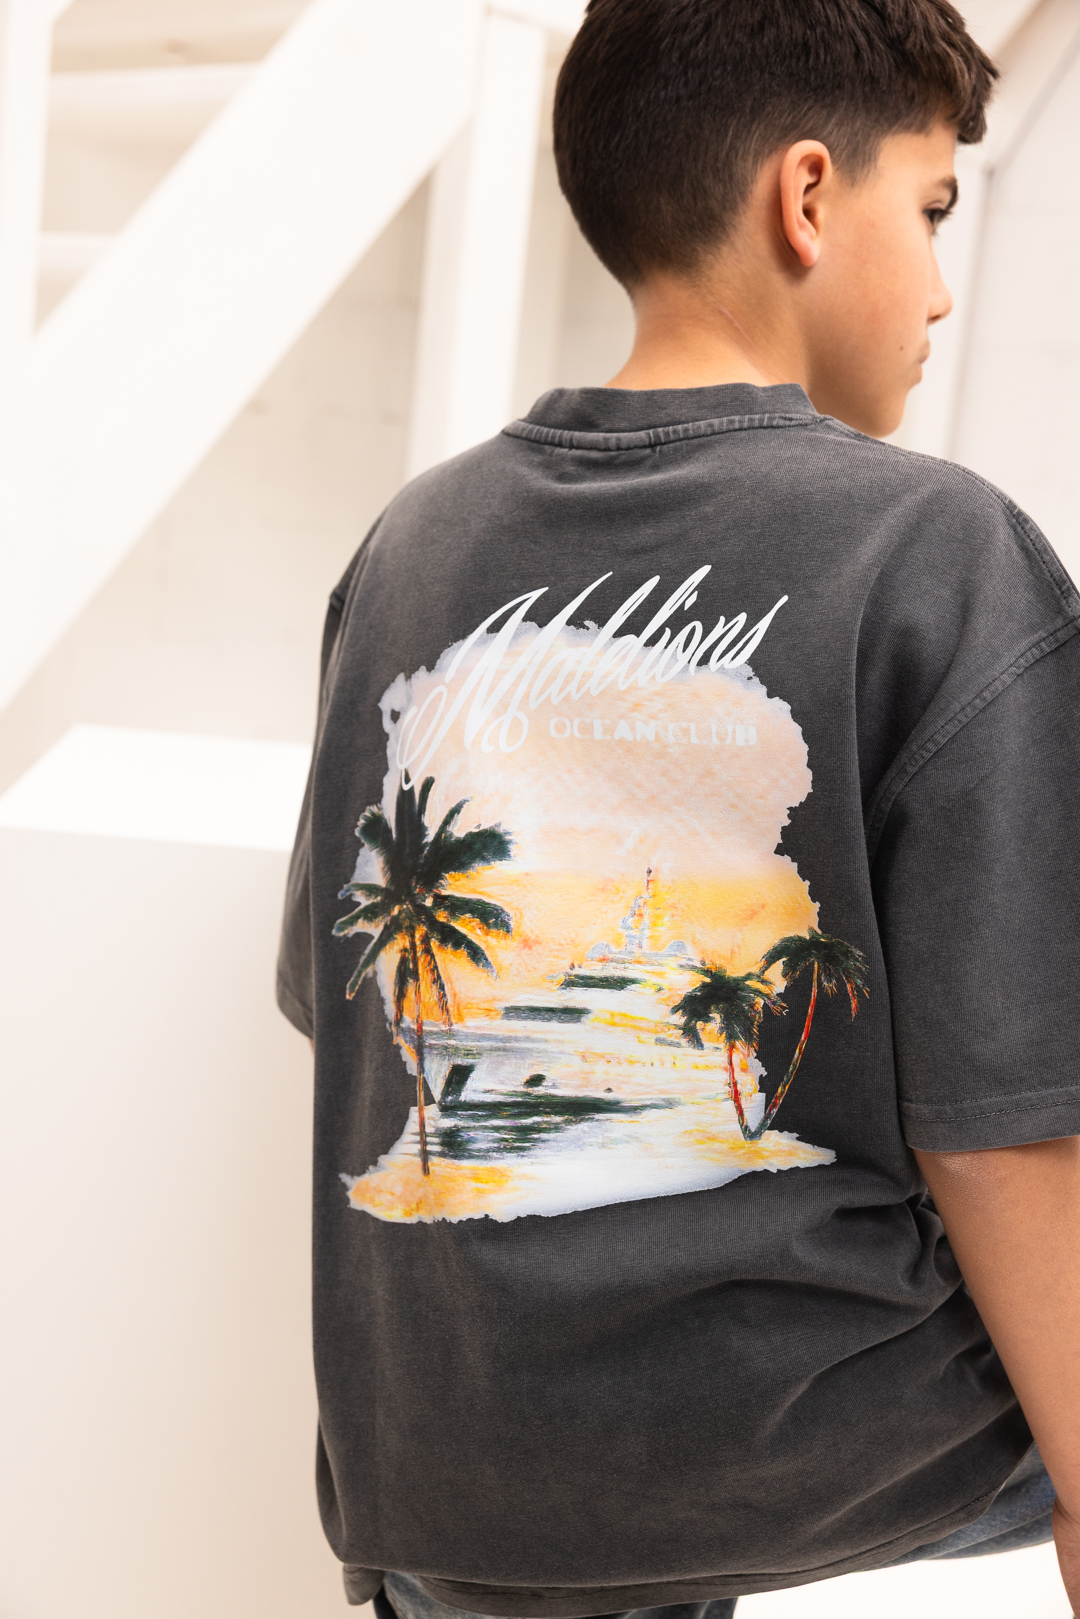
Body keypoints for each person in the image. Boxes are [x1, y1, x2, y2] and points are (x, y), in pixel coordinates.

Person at [276, 2, 1080, 1615]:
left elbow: (331, 999)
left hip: (445, 1498)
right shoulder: (938, 554)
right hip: (822, 1472)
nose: (938, 289)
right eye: (931, 211)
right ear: (806, 197)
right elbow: (1006, 1123)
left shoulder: (410, 545)